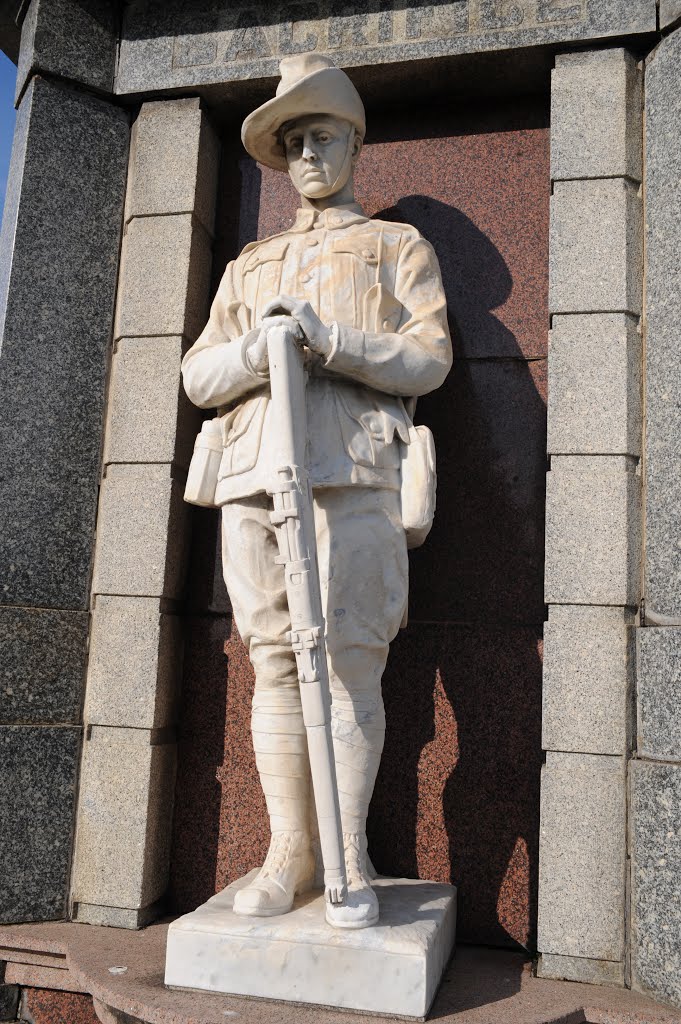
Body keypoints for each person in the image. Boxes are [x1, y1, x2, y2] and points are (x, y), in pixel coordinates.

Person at [182, 53, 452, 928]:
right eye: (292, 141)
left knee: (347, 662)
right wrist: (258, 353)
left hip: (353, 471)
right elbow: (197, 375)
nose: (306, 155)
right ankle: (288, 853)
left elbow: (429, 356)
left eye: (321, 136)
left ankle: (348, 859)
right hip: (256, 473)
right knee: (270, 660)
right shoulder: (251, 265)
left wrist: (332, 341)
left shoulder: (393, 246)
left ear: (353, 144)